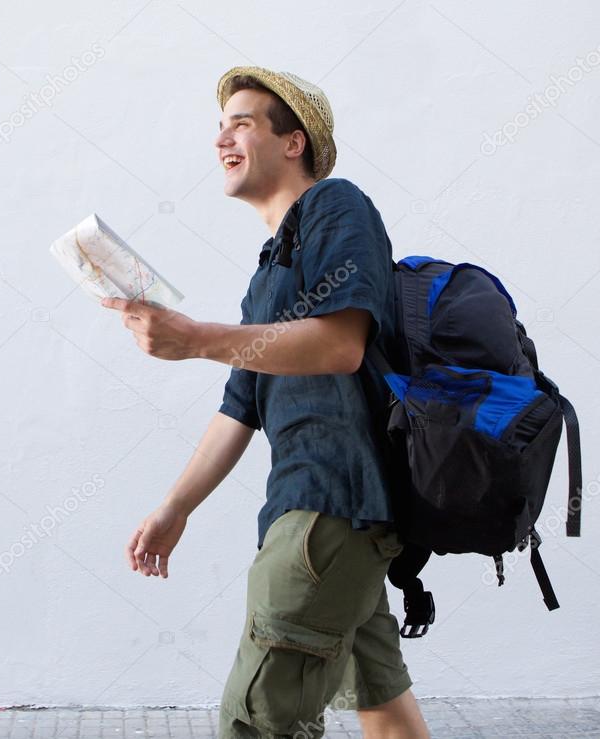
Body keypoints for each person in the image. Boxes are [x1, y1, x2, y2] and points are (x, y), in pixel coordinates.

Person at [101, 66, 430, 739]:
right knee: (387, 717)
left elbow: (340, 344)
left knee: (256, 722)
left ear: (294, 141)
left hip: (328, 511)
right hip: (328, 517)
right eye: (219, 127)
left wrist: (195, 338)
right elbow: (237, 410)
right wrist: (174, 507)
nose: (222, 138)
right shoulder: (266, 276)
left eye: (241, 123)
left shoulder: (336, 207)